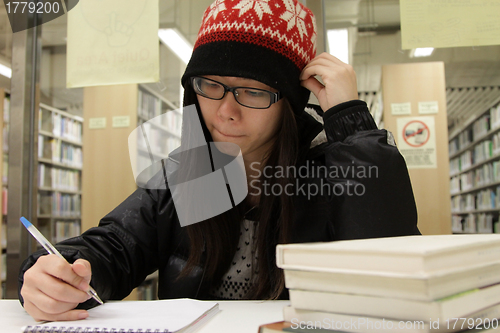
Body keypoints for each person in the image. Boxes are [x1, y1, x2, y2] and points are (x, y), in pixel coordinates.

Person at [18, 0, 420, 322]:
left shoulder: (331, 171)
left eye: (253, 92)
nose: (226, 111)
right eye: (210, 86)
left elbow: (396, 265)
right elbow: (113, 247)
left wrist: (349, 119)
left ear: (290, 106)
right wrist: (59, 274)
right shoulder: (185, 175)